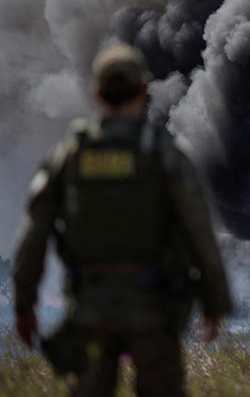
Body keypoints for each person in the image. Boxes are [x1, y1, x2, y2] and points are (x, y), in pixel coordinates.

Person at [12, 43, 233, 396]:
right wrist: (215, 303)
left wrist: (24, 305)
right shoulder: (163, 153)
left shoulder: (70, 155)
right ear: (143, 90)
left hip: (91, 307)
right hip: (153, 310)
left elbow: (33, 234)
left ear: (97, 92)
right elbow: (199, 231)